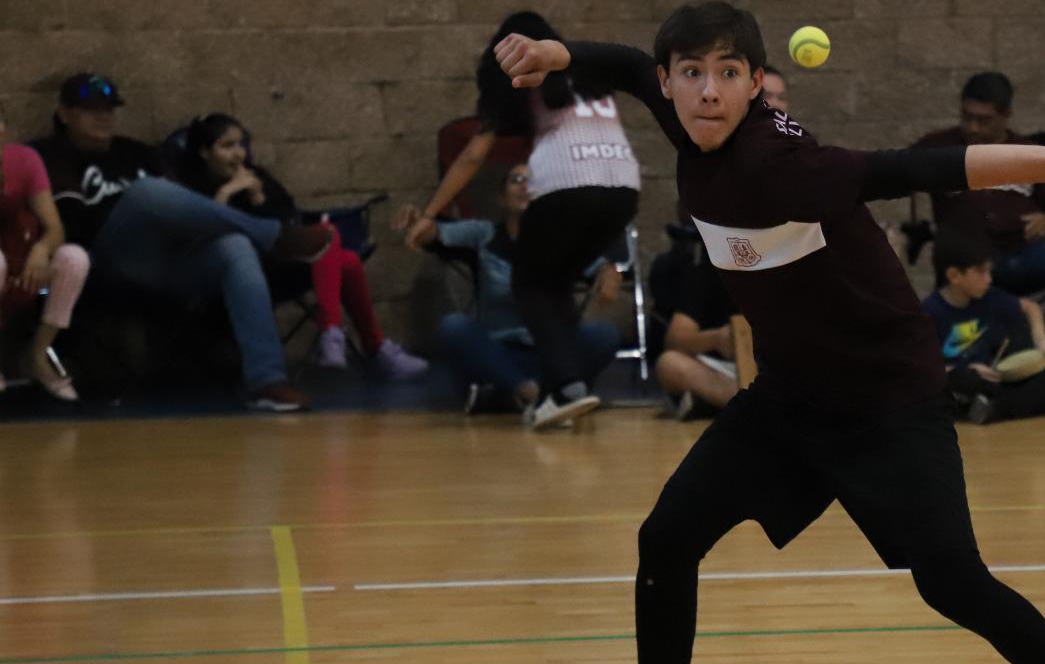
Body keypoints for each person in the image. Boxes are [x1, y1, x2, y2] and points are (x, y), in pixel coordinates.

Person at [495, 0, 1045, 664]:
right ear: (670, 84)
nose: (709, 91)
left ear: (756, 84)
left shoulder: (783, 167)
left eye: (728, 74)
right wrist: (558, 52)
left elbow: (919, 169)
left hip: (890, 399)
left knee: (953, 581)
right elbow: (618, 60)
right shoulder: (683, 120)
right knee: (667, 538)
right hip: (790, 400)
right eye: (692, 74)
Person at [395, 11, 639, 430]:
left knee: (531, 284)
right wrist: (614, 260)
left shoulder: (525, 75)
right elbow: (602, 193)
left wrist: (431, 212)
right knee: (556, 281)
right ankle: (561, 389)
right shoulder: (585, 70)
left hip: (565, 183)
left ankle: (562, 388)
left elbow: (473, 155)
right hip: (624, 184)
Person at [29, 73, 330, 412]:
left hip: (170, 260)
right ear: (65, 114)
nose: (104, 117)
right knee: (146, 192)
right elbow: (68, 223)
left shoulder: (139, 152)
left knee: (234, 247)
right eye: (89, 109)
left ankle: (267, 381)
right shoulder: (48, 156)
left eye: (110, 109)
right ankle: (275, 237)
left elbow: (188, 206)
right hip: (106, 261)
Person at [176, 113, 428, 380]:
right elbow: (203, 231)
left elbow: (290, 222)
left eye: (241, 144)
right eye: (227, 146)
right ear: (205, 152)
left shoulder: (257, 177)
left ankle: (348, 340)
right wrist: (225, 194)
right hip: (242, 277)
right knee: (330, 239)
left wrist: (259, 197)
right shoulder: (193, 186)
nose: (238, 154)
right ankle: (360, 345)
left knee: (346, 259)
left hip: (281, 264)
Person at [408, 165, 620, 415]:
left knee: (603, 335)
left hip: (552, 352)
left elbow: (603, 267)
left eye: (533, 182)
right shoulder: (483, 234)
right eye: (516, 180)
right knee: (453, 327)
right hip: (497, 354)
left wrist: (608, 274)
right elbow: (436, 234)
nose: (524, 186)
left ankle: (516, 395)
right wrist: (419, 222)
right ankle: (531, 391)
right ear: (501, 197)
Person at [914, 72, 1045, 339]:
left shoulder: (1029, 152)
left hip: (1021, 252)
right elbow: (896, 175)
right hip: (968, 260)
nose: (973, 128)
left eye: (984, 120)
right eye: (967, 117)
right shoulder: (937, 147)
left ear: (1006, 115)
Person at [923, 228, 1045, 424]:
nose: (988, 279)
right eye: (981, 271)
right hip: (964, 382)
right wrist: (969, 368)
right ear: (954, 275)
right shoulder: (929, 312)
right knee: (963, 380)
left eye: (989, 270)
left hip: (995, 379)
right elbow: (924, 369)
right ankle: (1041, 401)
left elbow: (1031, 308)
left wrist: (1041, 338)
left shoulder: (989, 297)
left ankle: (993, 407)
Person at [0, 98, 88, 400]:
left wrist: (40, 250)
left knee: (74, 258)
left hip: (25, 269)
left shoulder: (24, 160)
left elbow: (55, 229)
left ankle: (38, 356)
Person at [652, 230, 740, 419]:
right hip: (728, 371)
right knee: (669, 364)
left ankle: (721, 403)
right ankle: (745, 401)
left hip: (781, 372)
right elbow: (675, 339)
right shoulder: (711, 268)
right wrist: (717, 339)